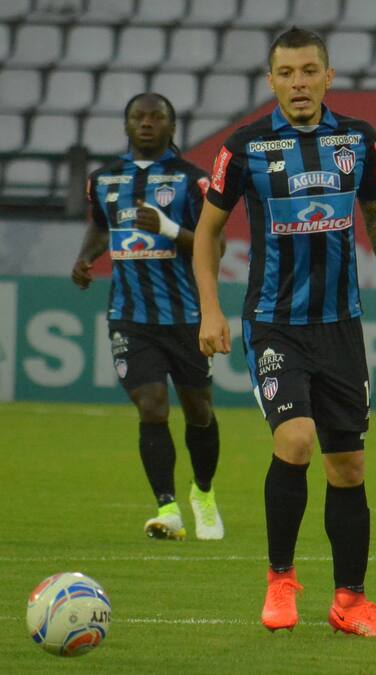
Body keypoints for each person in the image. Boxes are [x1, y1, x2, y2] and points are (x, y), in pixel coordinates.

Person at [191, 28, 376, 638]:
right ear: (271, 81)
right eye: (286, 73)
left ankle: (351, 603)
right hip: (275, 324)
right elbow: (208, 232)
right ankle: (281, 579)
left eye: (309, 70)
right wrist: (210, 309)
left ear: (328, 76)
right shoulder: (244, 147)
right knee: (295, 440)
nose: (298, 83)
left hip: (340, 326)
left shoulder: (358, 140)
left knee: (349, 467)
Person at [71, 92, 224, 543]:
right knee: (152, 406)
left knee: (199, 411)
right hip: (129, 315)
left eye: (156, 117)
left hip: (186, 315)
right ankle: (167, 508)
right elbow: (101, 225)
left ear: (172, 126)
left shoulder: (192, 181)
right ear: (126, 124)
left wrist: (169, 229)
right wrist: (86, 258)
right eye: (138, 116)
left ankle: (203, 493)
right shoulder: (104, 180)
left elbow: (215, 246)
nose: (146, 123)